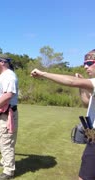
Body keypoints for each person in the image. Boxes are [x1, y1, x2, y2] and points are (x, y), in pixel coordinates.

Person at [31, 49, 95, 180]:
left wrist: (43, 74)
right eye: (85, 63)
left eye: (89, 63)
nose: (85, 66)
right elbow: (86, 103)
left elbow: (71, 82)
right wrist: (83, 86)